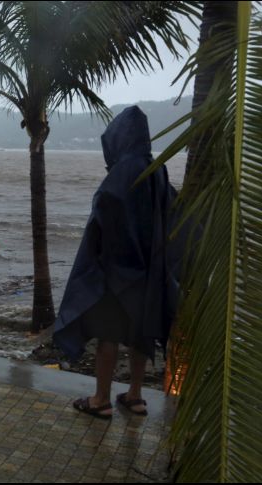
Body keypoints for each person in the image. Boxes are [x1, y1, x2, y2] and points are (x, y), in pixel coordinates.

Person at [52, 106, 180, 419]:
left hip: (117, 271)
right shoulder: (157, 168)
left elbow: (105, 210)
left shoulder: (123, 170)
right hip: (149, 272)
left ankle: (100, 400)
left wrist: (97, 256)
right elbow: (172, 210)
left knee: (107, 334)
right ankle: (135, 396)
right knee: (141, 334)